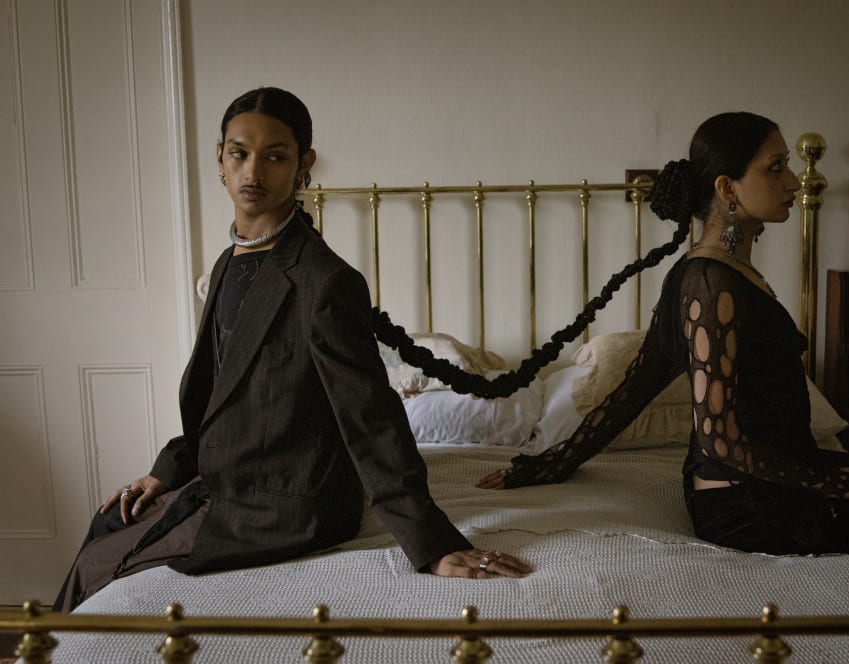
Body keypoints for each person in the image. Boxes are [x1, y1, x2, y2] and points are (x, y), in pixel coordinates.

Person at [477, 111, 849, 609]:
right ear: (727, 189)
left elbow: (635, 391)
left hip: (785, 471)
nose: (793, 182)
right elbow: (718, 438)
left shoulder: (716, 274)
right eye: (775, 167)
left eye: (789, 165)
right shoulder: (709, 283)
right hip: (747, 501)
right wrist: (832, 482)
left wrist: (559, 460)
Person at [54, 87, 530, 612]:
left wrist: (435, 545)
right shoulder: (226, 265)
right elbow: (221, 398)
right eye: (239, 153)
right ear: (220, 159)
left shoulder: (323, 282)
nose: (252, 171)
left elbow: (370, 418)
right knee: (107, 519)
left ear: (304, 164)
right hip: (230, 481)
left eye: (275, 156)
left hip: (286, 504)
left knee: (97, 567)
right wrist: (166, 472)